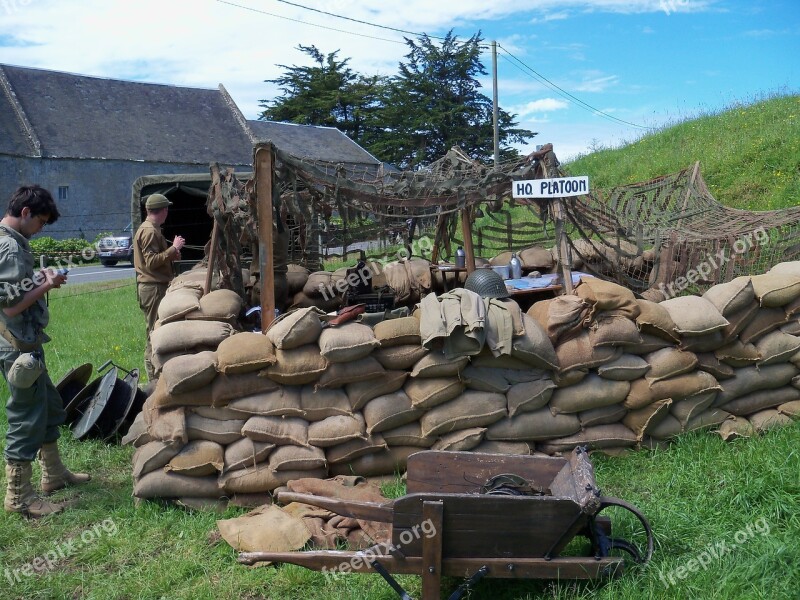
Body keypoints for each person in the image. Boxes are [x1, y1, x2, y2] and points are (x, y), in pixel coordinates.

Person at [0, 185, 90, 517]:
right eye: (41, 222)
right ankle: (19, 498)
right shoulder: (9, 248)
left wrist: (38, 278)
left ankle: (53, 474)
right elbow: (10, 308)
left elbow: (12, 289)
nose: (41, 230)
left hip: (23, 344)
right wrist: (47, 285)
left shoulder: (10, 243)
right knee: (27, 417)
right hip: (16, 347)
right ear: (25, 213)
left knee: (50, 406)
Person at [132, 193, 185, 380]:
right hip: (153, 288)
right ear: (163, 210)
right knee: (154, 332)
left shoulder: (151, 229)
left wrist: (171, 255)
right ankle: (154, 377)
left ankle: (156, 372)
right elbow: (151, 262)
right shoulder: (150, 231)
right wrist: (174, 248)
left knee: (156, 329)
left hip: (153, 286)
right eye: (167, 209)